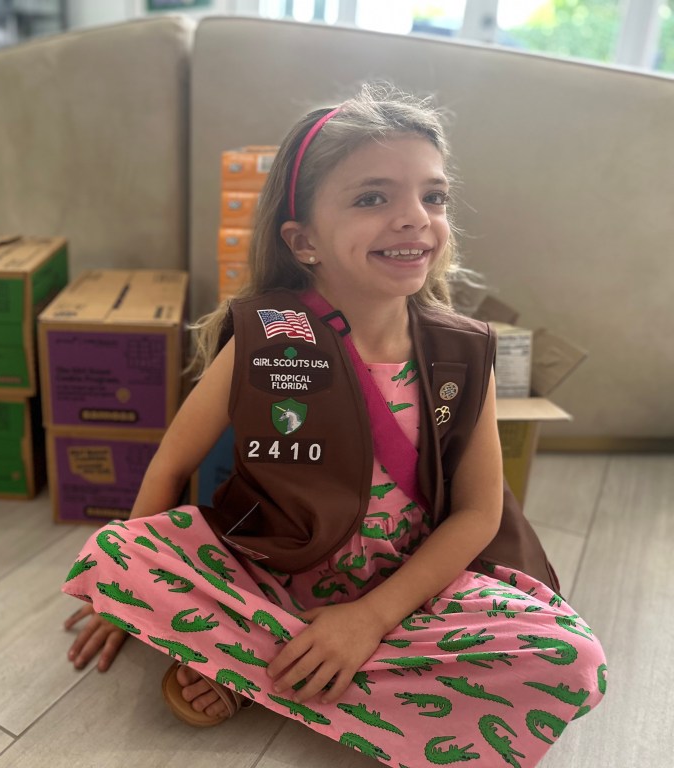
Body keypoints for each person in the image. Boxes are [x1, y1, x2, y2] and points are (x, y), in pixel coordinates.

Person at [60, 83, 606, 766]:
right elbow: (172, 466)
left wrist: (370, 618)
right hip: (271, 572)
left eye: (433, 196)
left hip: (409, 589)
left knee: (572, 658)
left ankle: (256, 665)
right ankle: (318, 667)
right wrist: (119, 600)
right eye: (373, 198)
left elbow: (476, 513)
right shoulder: (266, 337)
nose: (415, 219)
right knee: (114, 556)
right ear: (304, 241)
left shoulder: (464, 352)